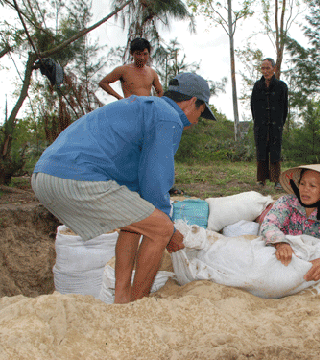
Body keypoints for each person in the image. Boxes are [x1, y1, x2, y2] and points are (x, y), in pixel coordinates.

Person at [31, 72, 216, 304]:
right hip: (74, 176)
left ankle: (122, 299)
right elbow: (157, 182)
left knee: (137, 225)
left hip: (46, 175)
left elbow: (141, 202)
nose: (198, 120)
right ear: (191, 102)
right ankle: (138, 305)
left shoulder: (144, 109)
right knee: (159, 228)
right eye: (201, 112)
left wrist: (157, 220)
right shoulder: (168, 117)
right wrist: (168, 228)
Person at [260, 164, 320, 282]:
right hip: (285, 257)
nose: (305, 189)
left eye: (312, 185)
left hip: (310, 261)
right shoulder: (287, 202)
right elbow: (269, 224)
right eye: (302, 184)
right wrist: (280, 243)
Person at [251, 58, 289, 190]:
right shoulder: (257, 86)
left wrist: (279, 124)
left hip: (275, 125)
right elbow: (253, 107)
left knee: (275, 152)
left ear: (274, 68)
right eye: (263, 68)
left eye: (268, 68)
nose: (265, 71)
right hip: (260, 125)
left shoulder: (282, 86)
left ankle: (277, 180)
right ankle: (261, 180)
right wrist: (257, 122)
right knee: (261, 151)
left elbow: (285, 109)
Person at [99, 37, 163, 100]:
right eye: (138, 54)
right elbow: (103, 83)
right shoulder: (123, 70)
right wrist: (120, 98)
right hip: (130, 106)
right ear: (132, 53)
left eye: (145, 54)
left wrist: (156, 104)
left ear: (149, 54)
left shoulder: (152, 72)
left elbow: (160, 91)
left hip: (146, 108)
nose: (142, 58)